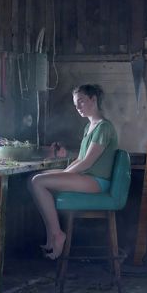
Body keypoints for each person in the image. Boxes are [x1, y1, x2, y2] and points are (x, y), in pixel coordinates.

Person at [28, 84, 118, 260]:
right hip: (85, 176)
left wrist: (64, 174)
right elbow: (80, 159)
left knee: (38, 181)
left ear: (94, 99)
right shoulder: (89, 127)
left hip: (96, 180)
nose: (78, 108)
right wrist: (64, 171)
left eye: (81, 102)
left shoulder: (103, 127)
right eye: (76, 104)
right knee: (32, 179)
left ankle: (58, 235)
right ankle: (50, 235)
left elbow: (87, 163)